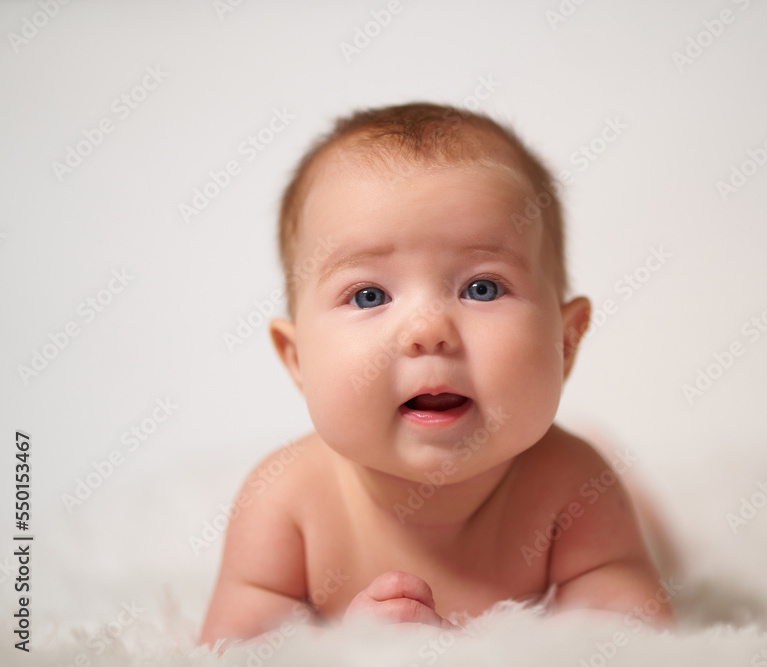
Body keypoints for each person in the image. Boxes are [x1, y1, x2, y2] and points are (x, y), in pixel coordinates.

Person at [199, 102, 674, 645]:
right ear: (297, 358)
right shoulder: (283, 504)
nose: (428, 330)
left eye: (482, 288)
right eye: (369, 294)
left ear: (564, 342)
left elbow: (637, 641)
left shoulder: (574, 488)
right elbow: (228, 653)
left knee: (656, 540)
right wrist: (349, 648)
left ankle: (650, 515)